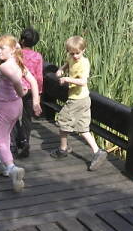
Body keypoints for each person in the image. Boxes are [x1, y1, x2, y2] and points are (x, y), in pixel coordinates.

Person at [49, 36, 108, 171]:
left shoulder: (84, 63)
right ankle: (97, 151)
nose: (75, 56)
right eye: (72, 53)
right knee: (83, 128)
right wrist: (61, 69)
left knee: (63, 121)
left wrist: (66, 79)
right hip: (81, 98)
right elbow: (67, 63)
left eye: (77, 53)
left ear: (83, 50)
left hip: (78, 99)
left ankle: (63, 149)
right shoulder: (71, 58)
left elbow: (83, 82)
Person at [0, 35, 41, 192]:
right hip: (16, 107)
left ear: (12, 50)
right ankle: (2, 165)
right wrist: (35, 102)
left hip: (7, 107)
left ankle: (12, 169)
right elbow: (32, 81)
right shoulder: (19, 62)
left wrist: (21, 93)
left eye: (2, 48)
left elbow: (17, 82)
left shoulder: (4, 67)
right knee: (6, 135)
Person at [11, 27, 44, 158]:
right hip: (31, 90)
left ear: (22, 40)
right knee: (27, 118)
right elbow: (39, 77)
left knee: (13, 116)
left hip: (17, 88)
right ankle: (26, 142)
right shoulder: (38, 56)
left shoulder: (16, 54)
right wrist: (39, 94)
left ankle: (16, 142)